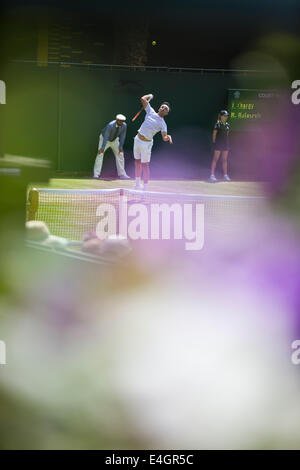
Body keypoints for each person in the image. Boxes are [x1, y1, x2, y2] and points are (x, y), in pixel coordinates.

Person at [133, 94, 173, 190]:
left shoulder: (163, 124)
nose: (163, 108)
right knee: (137, 162)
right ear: (159, 108)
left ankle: (145, 187)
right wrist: (150, 96)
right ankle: (137, 184)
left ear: (166, 113)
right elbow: (142, 98)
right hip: (137, 140)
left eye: (166, 109)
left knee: (145, 165)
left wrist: (168, 137)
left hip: (146, 144)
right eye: (162, 107)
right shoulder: (150, 111)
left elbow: (164, 137)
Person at [93, 114, 130, 179]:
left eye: (122, 121)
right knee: (100, 154)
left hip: (115, 140)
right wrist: (102, 147)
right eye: (120, 121)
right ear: (117, 120)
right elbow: (106, 136)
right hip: (104, 139)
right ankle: (96, 174)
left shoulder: (124, 125)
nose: (121, 122)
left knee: (120, 154)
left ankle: (122, 174)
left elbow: (123, 136)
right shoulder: (110, 125)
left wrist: (120, 147)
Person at [210, 110, 231, 182]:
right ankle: (212, 175)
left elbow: (227, 135)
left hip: (225, 144)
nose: (226, 117)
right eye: (225, 116)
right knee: (215, 159)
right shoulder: (217, 124)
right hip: (218, 144)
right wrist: (214, 143)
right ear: (221, 116)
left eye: (227, 116)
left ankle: (225, 175)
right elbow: (214, 134)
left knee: (224, 160)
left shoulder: (228, 125)